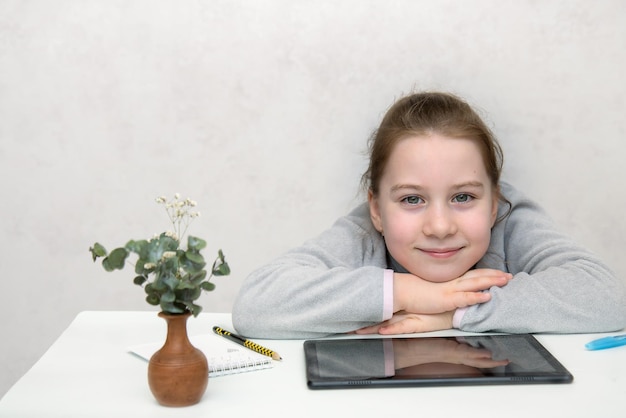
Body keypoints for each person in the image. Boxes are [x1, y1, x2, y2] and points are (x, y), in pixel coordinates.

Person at [232, 91, 626, 339]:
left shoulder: (510, 220)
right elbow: (256, 306)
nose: (440, 227)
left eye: (463, 197)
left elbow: (606, 299)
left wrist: (452, 311)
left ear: (493, 204)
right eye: (411, 200)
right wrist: (413, 294)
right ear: (377, 210)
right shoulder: (364, 234)